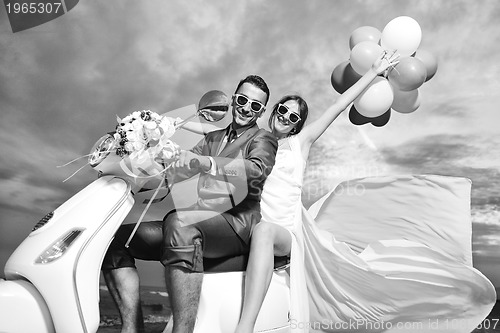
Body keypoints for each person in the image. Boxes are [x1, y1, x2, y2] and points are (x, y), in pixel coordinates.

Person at [231, 51, 496, 333]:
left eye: (293, 115)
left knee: (265, 232)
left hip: (283, 231)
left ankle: (244, 328)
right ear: (272, 112)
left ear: (298, 124)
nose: (285, 116)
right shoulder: (255, 143)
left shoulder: (300, 143)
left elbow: (338, 106)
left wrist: (373, 71)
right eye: (282, 110)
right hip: (252, 221)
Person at [101, 74, 278, 333]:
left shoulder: (263, 139)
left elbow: (256, 169)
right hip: (200, 219)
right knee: (115, 239)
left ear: (261, 112)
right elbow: (178, 168)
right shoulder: (212, 138)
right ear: (233, 100)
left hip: (237, 224)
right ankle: (132, 328)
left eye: (255, 106)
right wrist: (144, 161)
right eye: (242, 100)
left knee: (179, 223)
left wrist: (208, 163)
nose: (246, 108)